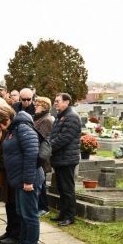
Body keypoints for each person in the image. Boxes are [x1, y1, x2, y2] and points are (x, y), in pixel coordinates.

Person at [0, 105, 44, 244]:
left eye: (0, 124)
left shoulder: (22, 128)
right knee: (22, 214)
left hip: (29, 180)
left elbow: (31, 154)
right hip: (20, 180)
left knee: (30, 215)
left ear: (7, 118)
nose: (0, 128)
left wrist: (28, 181)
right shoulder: (14, 128)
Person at [0, 100, 20, 244]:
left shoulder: (14, 130)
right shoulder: (4, 129)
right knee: (8, 204)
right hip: (5, 172)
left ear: (7, 118)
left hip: (13, 173)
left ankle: (15, 234)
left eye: (0, 124)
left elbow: (10, 154)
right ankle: (10, 230)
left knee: (13, 205)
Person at [49, 93, 81, 226]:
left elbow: (64, 138)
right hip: (60, 158)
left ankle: (70, 216)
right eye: (55, 101)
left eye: (58, 101)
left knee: (67, 189)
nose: (55, 103)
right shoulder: (61, 116)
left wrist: (48, 147)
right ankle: (63, 213)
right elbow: (54, 135)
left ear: (66, 102)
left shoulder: (71, 117)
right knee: (61, 188)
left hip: (67, 159)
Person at [33, 97, 54, 216]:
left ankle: (44, 207)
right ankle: (39, 205)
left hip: (42, 156)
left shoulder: (46, 120)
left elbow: (42, 138)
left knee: (42, 183)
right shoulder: (39, 118)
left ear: (45, 106)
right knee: (40, 182)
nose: (35, 106)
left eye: (38, 105)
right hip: (37, 154)